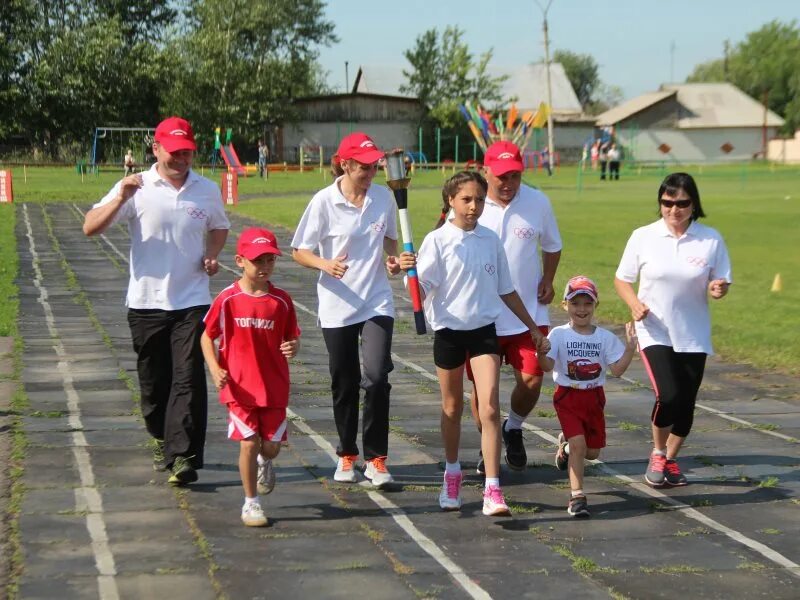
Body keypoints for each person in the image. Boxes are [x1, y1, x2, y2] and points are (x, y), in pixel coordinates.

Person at [83, 116, 230, 486]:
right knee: (153, 384)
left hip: (193, 300)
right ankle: (162, 436)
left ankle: (183, 456)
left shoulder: (206, 189)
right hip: (146, 302)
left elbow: (220, 226)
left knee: (188, 379)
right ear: (156, 149)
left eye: (187, 153)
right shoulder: (137, 186)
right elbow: (90, 227)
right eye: (175, 152)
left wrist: (212, 254)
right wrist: (120, 197)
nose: (182, 159)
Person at [399, 171, 548, 516]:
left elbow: (506, 290)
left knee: (491, 408)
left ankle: (493, 489)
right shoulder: (437, 241)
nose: (474, 206)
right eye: (466, 199)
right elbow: (418, 294)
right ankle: (452, 473)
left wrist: (532, 328)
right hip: (449, 334)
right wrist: (406, 271)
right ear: (450, 200)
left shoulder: (490, 240)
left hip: (484, 332)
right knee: (452, 408)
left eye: (479, 199)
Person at [291, 132, 401, 489]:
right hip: (337, 305)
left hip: (376, 301)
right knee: (345, 381)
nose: (371, 172)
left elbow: (389, 240)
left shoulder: (383, 198)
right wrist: (325, 264)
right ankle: (347, 454)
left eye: (375, 165)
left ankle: (377, 458)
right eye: (364, 166)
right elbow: (299, 250)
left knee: (377, 377)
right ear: (346, 164)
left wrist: (393, 260)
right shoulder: (324, 202)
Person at [614, 172, 732, 487]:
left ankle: (670, 459)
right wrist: (634, 304)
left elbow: (720, 281)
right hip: (654, 329)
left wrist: (719, 288)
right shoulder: (643, 236)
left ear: (694, 205)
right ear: (660, 203)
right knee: (667, 395)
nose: (674, 210)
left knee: (686, 404)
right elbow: (622, 279)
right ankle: (657, 452)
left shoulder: (710, 239)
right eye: (667, 203)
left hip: (693, 333)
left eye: (681, 203)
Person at [468, 141, 562, 473]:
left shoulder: (537, 202)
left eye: (515, 177)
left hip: (528, 314)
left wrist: (548, 279)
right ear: (485, 171)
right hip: (481, 316)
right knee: (484, 389)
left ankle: (513, 428)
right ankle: (487, 445)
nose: (508, 184)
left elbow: (552, 245)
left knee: (533, 380)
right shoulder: (471, 204)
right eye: (501, 176)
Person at [200, 227, 300, 527]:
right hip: (239, 387)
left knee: (268, 447)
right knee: (247, 443)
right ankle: (251, 503)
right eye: (258, 261)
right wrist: (214, 367)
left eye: (270, 260)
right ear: (240, 261)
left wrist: (293, 347)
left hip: (273, 386)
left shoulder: (281, 301)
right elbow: (207, 337)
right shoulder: (227, 299)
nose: (265, 267)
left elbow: (293, 338)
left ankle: (264, 461)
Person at [537, 276, 636, 517]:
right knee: (580, 445)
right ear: (565, 306)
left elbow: (617, 370)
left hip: (594, 399)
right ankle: (577, 496)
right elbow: (547, 366)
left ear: (595, 306)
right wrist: (540, 353)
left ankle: (566, 448)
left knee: (591, 453)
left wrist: (631, 348)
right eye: (575, 303)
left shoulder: (604, 338)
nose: (581, 309)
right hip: (568, 397)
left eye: (587, 304)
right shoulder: (558, 335)